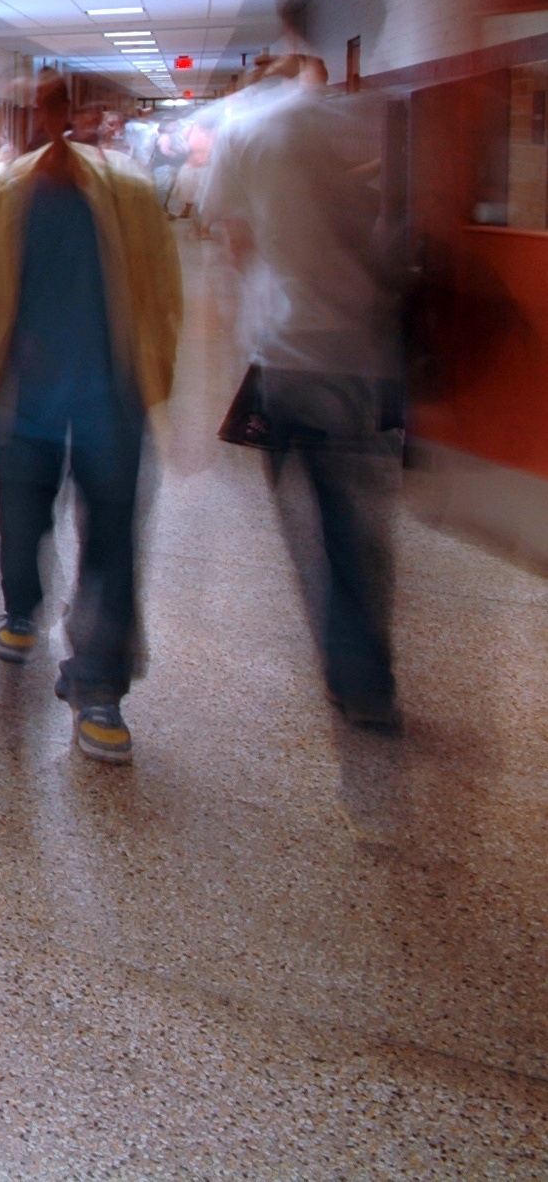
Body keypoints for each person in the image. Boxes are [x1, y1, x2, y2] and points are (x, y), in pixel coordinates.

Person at [0, 73, 183, 764]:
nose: (42, 117)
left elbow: (161, 286)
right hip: (24, 398)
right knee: (21, 520)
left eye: (54, 106)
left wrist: (154, 378)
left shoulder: (129, 193)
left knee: (112, 538)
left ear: (77, 116)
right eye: (29, 106)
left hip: (110, 396)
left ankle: (99, 685)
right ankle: (21, 606)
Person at [203, 44, 406, 732]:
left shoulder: (245, 136)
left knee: (312, 521)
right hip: (358, 350)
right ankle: (367, 677)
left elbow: (235, 243)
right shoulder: (352, 121)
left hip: (286, 350)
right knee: (357, 520)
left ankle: (349, 666)